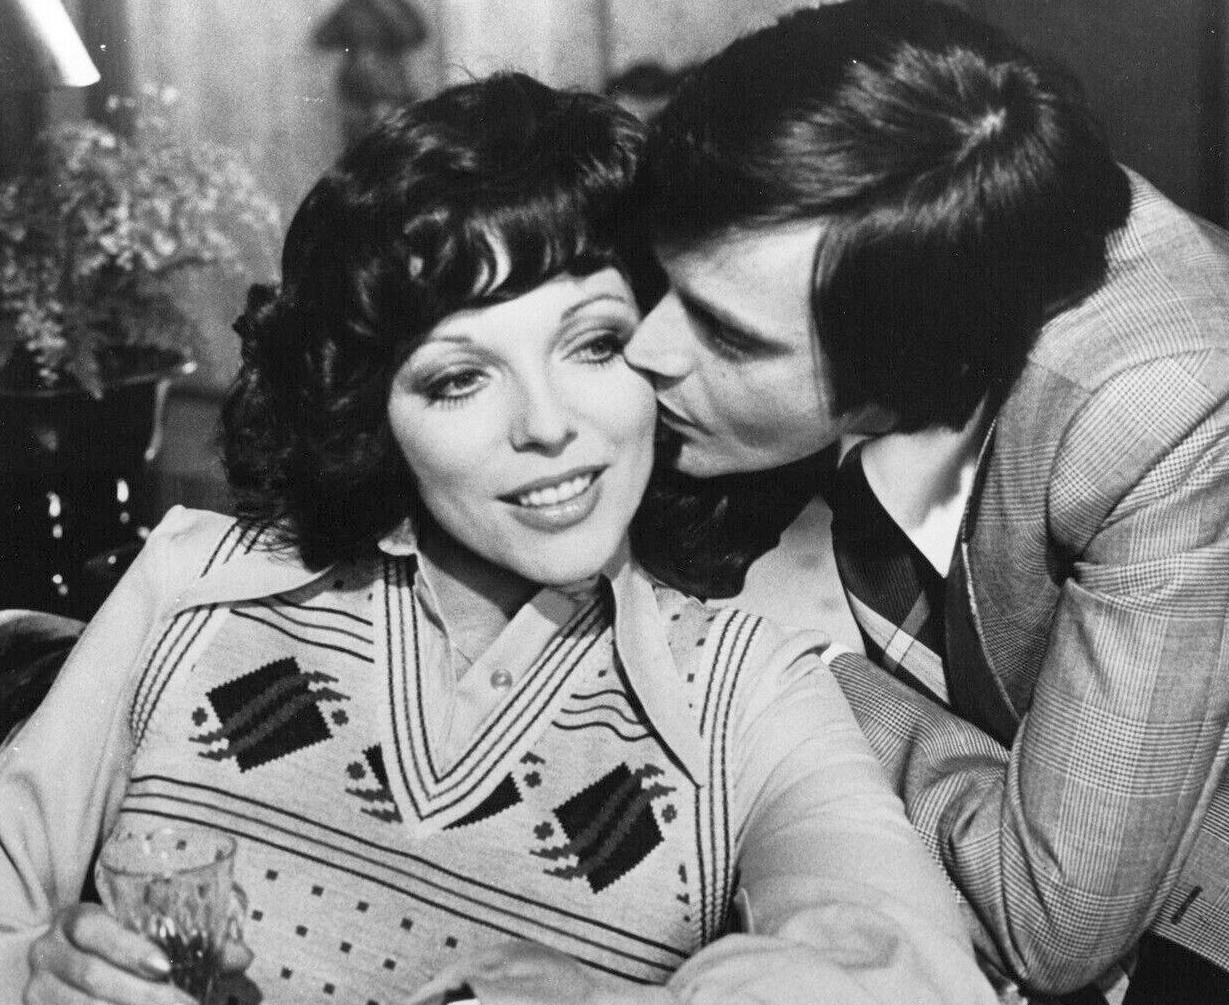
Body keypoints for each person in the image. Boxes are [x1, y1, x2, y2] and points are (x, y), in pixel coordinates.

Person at [0, 73, 996, 1005]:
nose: (547, 426)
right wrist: (31, 971)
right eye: (458, 378)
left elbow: (908, 979)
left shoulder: (751, 699)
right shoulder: (193, 579)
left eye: (593, 344)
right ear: (370, 412)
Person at [623, 1, 1229, 1002]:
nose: (645, 347)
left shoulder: (1160, 406)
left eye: (725, 336)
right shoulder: (902, 220)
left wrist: (771, 679)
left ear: (901, 367)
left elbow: (1052, 922)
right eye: (659, 281)